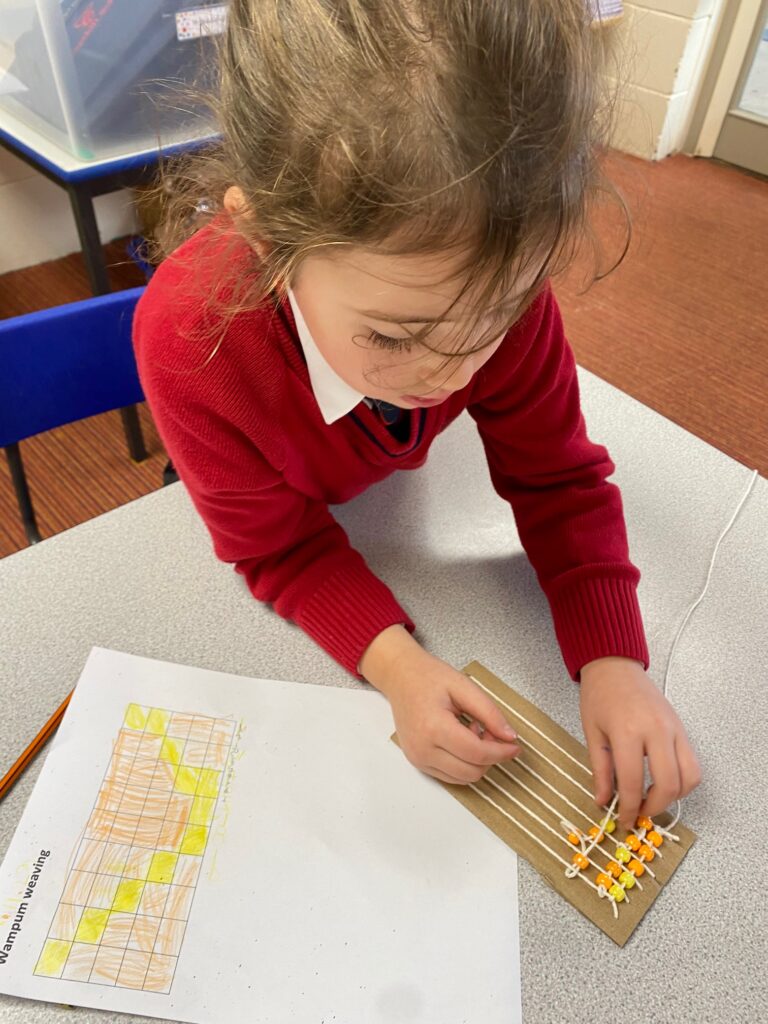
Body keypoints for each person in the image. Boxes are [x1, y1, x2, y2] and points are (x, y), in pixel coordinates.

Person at [133, 0, 700, 829]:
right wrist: (397, 666)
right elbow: (279, 546)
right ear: (266, 239)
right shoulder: (190, 342)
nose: (453, 370)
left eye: (499, 316)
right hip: (273, 477)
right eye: (397, 336)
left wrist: (613, 655)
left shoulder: (487, 291)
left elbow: (558, 477)